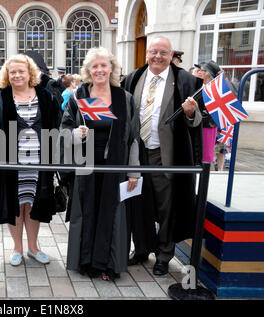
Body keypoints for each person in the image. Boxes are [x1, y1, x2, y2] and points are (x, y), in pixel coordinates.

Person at [122, 37, 202, 276]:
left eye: (163, 52)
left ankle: (165, 254)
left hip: (164, 155)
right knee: (138, 205)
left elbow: (198, 121)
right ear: (147, 53)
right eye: (154, 52)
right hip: (136, 154)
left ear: (171, 55)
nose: (157, 56)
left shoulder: (186, 81)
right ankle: (142, 248)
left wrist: (190, 114)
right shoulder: (134, 78)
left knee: (167, 207)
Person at [60, 47, 140, 281]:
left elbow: (134, 136)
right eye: (94, 66)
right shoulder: (79, 95)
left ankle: (108, 263)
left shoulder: (123, 98)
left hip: (115, 166)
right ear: (88, 70)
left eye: (104, 65)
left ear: (111, 68)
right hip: (86, 165)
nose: (99, 70)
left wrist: (133, 170)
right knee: (86, 212)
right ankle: (85, 261)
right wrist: (76, 132)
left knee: (112, 214)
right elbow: (63, 130)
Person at [0, 54, 60, 266]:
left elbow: (56, 126)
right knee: (14, 205)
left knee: (34, 204)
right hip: (12, 163)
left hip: (40, 162)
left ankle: (33, 247)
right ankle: (17, 248)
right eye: (13, 72)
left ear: (30, 73)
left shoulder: (46, 96)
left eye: (21, 71)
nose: (17, 75)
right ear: (7, 75)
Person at [198, 61, 221, 165]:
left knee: (206, 155)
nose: (199, 72)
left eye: (201, 70)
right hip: (201, 123)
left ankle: (205, 178)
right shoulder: (203, 86)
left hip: (207, 124)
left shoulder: (212, 88)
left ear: (208, 73)